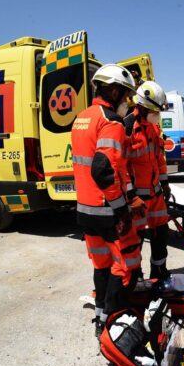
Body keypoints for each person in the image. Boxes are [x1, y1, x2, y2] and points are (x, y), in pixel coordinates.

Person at [71, 64, 144, 339]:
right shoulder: (110, 122)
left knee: (100, 265)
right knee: (123, 266)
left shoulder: (82, 118)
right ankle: (115, 321)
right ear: (112, 90)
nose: (127, 102)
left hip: (85, 211)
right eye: (125, 95)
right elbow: (102, 168)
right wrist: (121, 209)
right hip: (107, 211)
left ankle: (101, 317)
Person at [124, 80, 172, 281]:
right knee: (135, 240)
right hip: (137, 200)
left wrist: (165, 182)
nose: (156, 114)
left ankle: (158, 271)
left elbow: (159, 158)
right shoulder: (126, 127)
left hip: (156, 195)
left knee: (161, 234)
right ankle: (135, 275)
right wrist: (130, 195)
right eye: (153, 110)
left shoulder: (153, 128)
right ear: (141, 105)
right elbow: (121, 167)